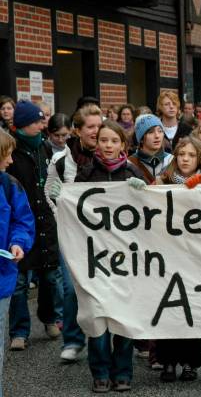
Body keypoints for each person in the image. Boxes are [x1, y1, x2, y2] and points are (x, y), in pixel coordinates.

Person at [75, 120, 144, 393]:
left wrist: (144, 193)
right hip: (95, 258)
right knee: (98, 317)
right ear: (97, 143)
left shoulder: (132, 174)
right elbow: (75, 211)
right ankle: (100, 372)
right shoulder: (86, 174)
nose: (108, 145)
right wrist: (63, 197)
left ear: (123, 145)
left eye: (114, 141)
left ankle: (123, 371)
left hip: (127, 259)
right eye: (103, 140)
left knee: (124, 316)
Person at [45, 104, 103, 363]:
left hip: (107, 237)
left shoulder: (112, 155)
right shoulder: (61, 163)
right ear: (77, 131)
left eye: (99, 125)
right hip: (73, 236)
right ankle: (73, 339)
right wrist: (63, 216)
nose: (96, 131)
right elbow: (49, 193)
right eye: (91, 127)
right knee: (71, 288)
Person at [5, 101, 63, 351]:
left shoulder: (46, 148)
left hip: (46, 220)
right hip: (20, 222)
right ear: (23, 124)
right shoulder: (11, 152)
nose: (42, 125)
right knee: (19, 282)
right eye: (37, 121)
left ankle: (50, 317)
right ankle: (19, 330)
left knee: (50, 275)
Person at [154, 137, 201, 383]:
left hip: (197, 257)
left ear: (199, 159)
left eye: (191, 155)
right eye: (181, 155)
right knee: (168, 309)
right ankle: (167, 361)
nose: (185, 159)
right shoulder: (161, 181)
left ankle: (190, 362)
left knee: (193, 310)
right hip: (168, 254)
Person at [0, 130, 35, 397]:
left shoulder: (9, 185)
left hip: (2, 279)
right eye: (6, 154)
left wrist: (18, 242)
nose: (11, 160)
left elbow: (22, 220)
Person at [128, 114, 173, 184]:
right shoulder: (130, 163)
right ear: (141, 139)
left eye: (160, 131)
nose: (157, 136)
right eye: (151, 132)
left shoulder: (171, 160)